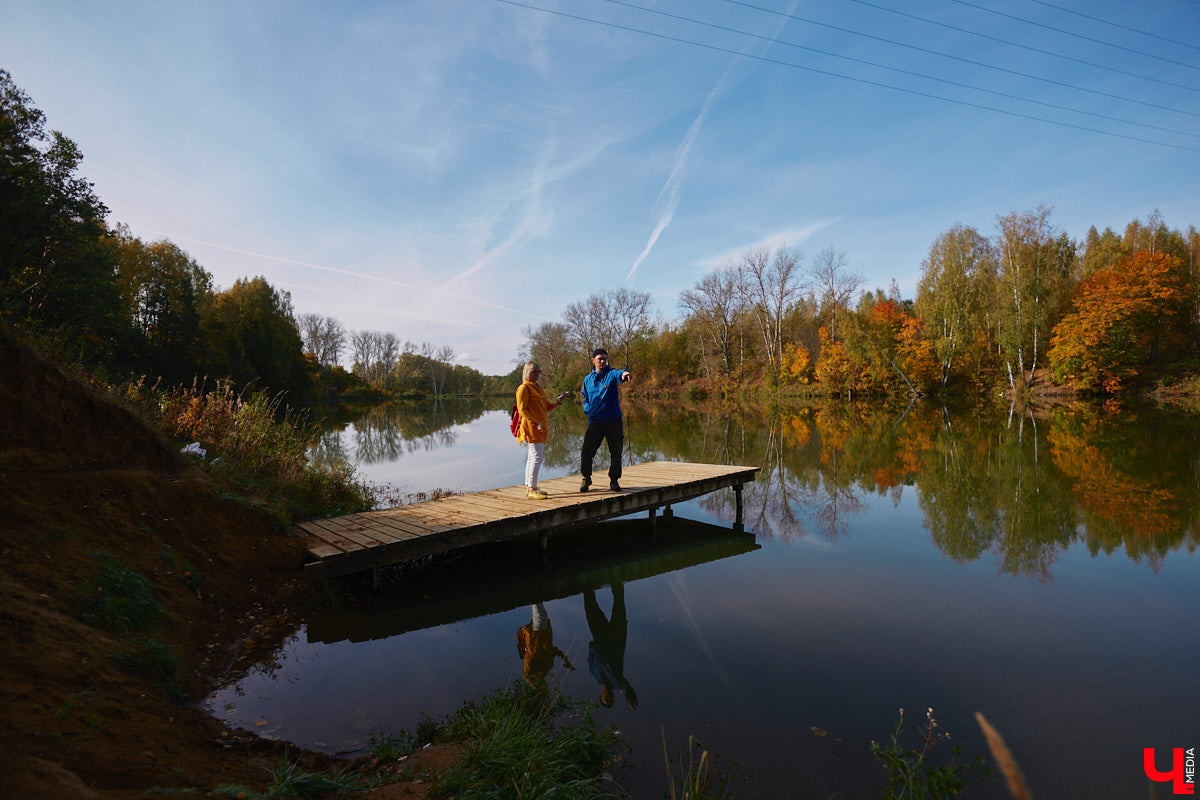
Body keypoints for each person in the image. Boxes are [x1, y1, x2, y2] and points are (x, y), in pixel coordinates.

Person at [579, 348, 631, 492]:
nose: (602, 361)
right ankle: (586, 478)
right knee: (587, 451)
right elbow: (584, 396)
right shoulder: (587, 379)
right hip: (595, 421)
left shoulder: (611, 374)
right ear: (593, 360)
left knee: (616, 452)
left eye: (605, 359)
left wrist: (625, 374)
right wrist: (588, 409)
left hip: (613, 421)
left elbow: (620, 374)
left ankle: (614, 481)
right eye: (600, 359)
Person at [516, 361, 568, 499]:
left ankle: (530, 486)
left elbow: (546, 406)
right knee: (538, 456)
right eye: (535, 371)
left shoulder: (538, 388)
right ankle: (532, 488)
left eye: (539, 371)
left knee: (532, 456)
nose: (538, 374)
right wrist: (536, 422)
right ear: (528, 372)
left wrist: (557, 402)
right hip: (531, 427)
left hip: (540, 427)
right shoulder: (524, 388)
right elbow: (522, 411)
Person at [584, 583, 637, 710]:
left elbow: (590, 656)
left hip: (601, 639)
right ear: (613, 695)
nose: (608, 696)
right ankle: (616, 576)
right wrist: (631, 699)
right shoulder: (618, 683)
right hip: (618, 638)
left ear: (601, 695)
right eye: (610, 698)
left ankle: (588, 582)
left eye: (605, 699)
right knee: (619, 602)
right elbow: (627, 690)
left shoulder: (594, 673)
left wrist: (594, 646)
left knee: (590, 607)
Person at [516, 602, 574, 687]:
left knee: (538, 607)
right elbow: (554, 651)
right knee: (538, 608)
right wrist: (565, 660)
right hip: (542, 632)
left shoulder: (531, 673)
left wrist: (543, 649)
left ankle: (532, 592)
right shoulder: (545, 668)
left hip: (537, 634)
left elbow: (530, 658)